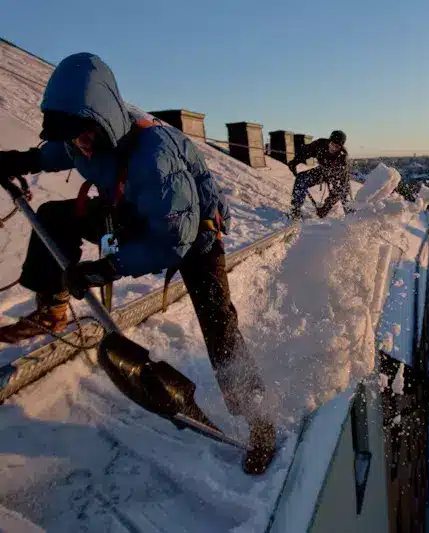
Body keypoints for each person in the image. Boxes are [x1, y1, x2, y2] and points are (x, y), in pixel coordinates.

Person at [0, 53, 274, 475]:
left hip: (193, 235)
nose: (81, 145)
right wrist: (16, 161)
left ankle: (260, 420)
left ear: (104, 120)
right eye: (74, 137)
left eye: (85, 134)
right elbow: (56, 154)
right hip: (134, 213)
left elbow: (172, 242)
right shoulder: (82, 138)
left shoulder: (154, 156)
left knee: (220, 325)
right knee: (55, 217)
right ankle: (53, 308)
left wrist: (106, 269)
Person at [288, 131, 350, 219]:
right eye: (332, 144)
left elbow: (339, 188)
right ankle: (296, 210)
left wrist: (326, 207)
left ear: (340, 147)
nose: (333, 148)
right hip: (323, 171)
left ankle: (352, 219)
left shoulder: (342, 159)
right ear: (329, 141)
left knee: (344, 194)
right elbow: (306, 151)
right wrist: (295, 161)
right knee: (301, 178)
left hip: (338, 176)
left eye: (336, 147)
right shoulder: (320, 145)